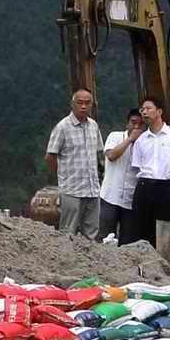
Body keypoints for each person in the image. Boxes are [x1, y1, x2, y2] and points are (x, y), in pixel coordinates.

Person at [43, 88, 102, 238]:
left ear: (92, 105)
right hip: (72, 190)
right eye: (80, 102)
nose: (83, 106)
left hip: (92, 189)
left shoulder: (93, 126)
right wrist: (62, 177)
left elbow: (97, 153)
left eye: (87, 103)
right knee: (67, 233)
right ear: (72, 104)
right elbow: (50, 156)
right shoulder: (62, 127)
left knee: (91, 234)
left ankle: (90, 260)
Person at [124, 97, 170, 244]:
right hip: (144, 186)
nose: (144, 112)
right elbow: (137, 167)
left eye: (148, 108)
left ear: (159, 111)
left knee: (163, 230)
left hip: (165, 187)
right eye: (142, 109)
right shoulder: (141, 139)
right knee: (141, 230)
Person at [99, 99, 144, 242]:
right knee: (105, 238)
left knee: (127, 240)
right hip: (110, 196)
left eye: (140, 124)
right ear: (127, 123)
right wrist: (130, 140)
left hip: (130, 199)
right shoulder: (115, 136)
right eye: (133, 122)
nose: (136, 126)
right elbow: (111, 155)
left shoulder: (146, 143)